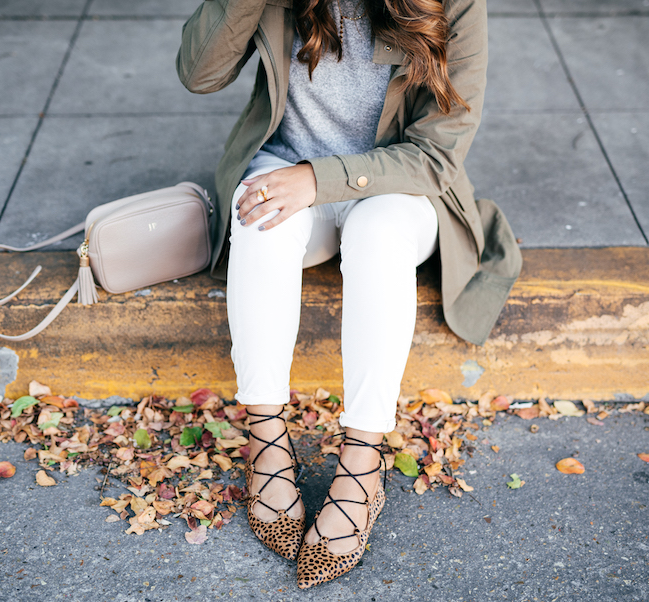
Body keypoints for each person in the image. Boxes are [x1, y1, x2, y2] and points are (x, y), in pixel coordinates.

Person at [177, 0, 522, 589]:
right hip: (286, 166)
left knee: (379, 233)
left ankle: (362, 463)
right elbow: (199, 73)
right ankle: (266, 443)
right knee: (260, 219)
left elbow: (437, 154)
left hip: (399, 185)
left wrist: (320, 179)